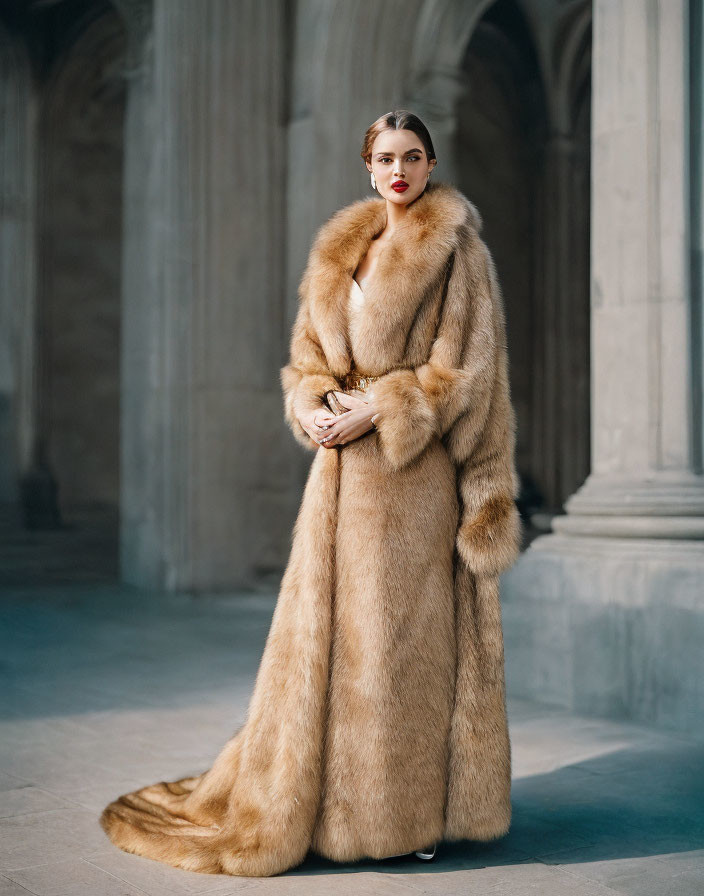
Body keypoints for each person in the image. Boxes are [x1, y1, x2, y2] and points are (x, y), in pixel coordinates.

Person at [99, 109, 522, 878]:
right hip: (335, 484)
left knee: (396, 655)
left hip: (407, 484)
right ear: (368, 167)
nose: (400, 169)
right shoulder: (340, 251)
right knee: (326, 651)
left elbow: (467, 372)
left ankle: (404, 818)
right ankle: (327, 811)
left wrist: (384, 404)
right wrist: (309, 400)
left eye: (414, 157)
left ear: (430, 167)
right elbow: (306, 354)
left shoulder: (458, 252)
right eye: (387, 157)